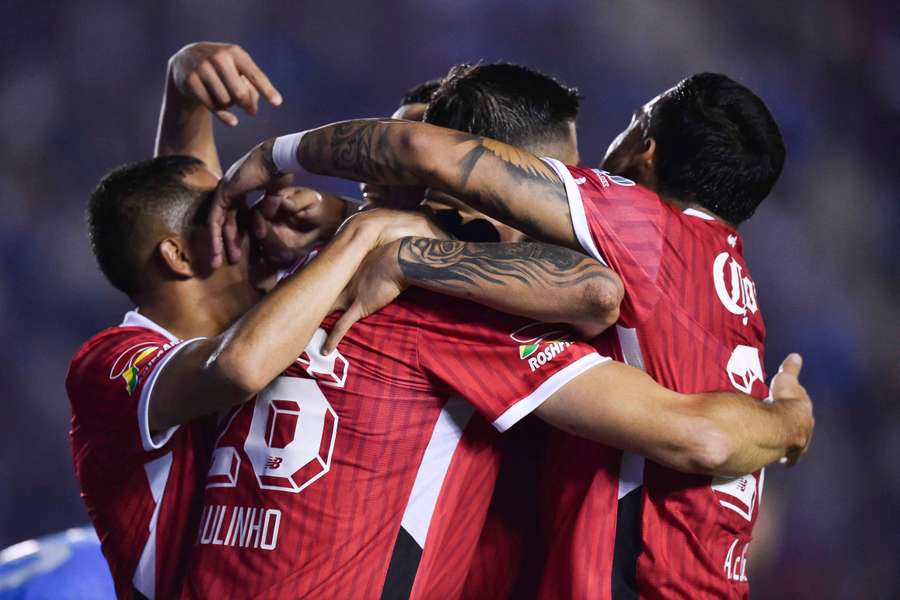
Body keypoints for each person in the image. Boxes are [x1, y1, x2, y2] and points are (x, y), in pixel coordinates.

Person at [207, 78, 812, 600]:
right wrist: (357, 223)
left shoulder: (641, 224)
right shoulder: (734, 298)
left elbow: (424, 153)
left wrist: (279, 155)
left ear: (644, 150)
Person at [67, 42, 435, 600]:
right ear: (178, 257)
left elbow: (183, 201)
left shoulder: (253, 314)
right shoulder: (111, 363)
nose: (248, 211)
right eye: (227, 212)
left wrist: (185, 91)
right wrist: (362, 231)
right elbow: (235, 366)